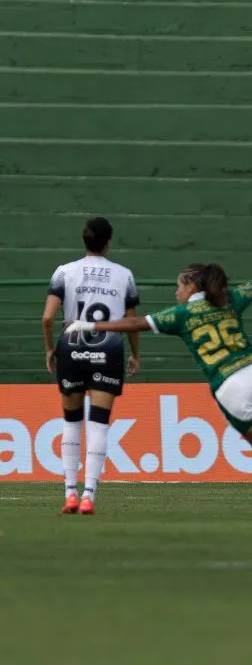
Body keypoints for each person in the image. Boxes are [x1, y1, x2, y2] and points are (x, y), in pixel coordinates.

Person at [66, 226, 252, 521]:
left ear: (192, 287)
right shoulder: (228, 298)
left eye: (179, 286)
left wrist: (92, 326)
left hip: (232, 386)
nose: (176, 291)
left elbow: (135, 324)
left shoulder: (181, 315)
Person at [42, 217, 141, 516]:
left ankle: (70, 494)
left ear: (84, 241)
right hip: (108, 350)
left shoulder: (64, 272)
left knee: (71, 422)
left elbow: (47, 318)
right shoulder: (124, 275)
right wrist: (135, 353)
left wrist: (50, 348)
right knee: (99, 423)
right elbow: (131, 321)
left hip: (70, 348)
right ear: (109, 242)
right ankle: (89, 496)